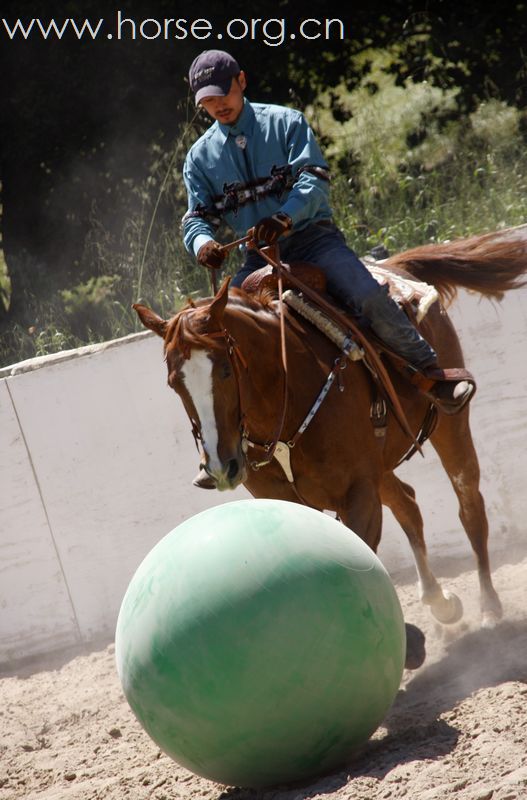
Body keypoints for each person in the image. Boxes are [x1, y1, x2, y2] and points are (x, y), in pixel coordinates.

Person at [182, 50, 474, 486]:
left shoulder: (286, 123)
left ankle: (430, 375)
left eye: (223, 94)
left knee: (367, 296)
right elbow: (195, 218)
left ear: (241, 81)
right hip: (255, 258)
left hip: (314, 240)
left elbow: (313, 180)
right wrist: (204, 244)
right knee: (218, 338)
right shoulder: (200, 158)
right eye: (208, 101)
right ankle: (228, 447)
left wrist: (284, 217)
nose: (217, 105)